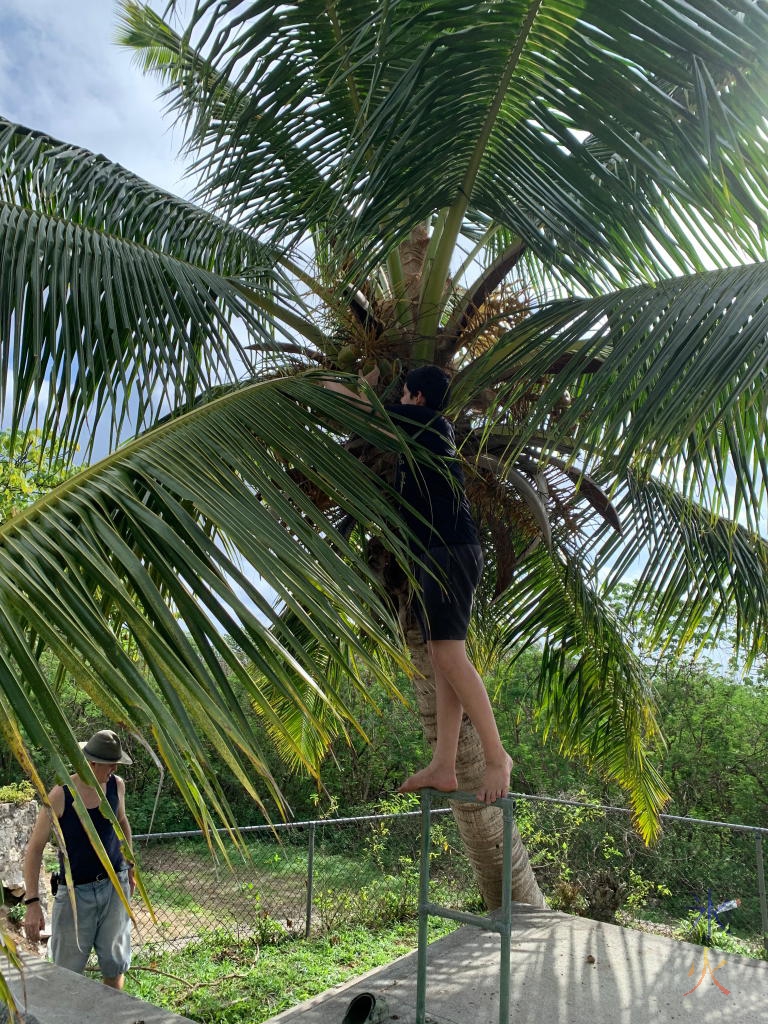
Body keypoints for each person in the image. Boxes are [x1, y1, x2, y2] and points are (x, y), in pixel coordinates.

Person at [322, 364, 513, 803]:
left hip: (450, 551)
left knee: (449, 655)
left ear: (418, 399)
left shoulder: (429, 423)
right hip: (439, 554)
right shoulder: (421, 433)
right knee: (443, 658)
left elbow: (367, 415)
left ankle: (497, 757)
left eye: (404, 394)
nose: (401, 401)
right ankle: (444, 765)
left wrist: (336, 385)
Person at [23, 729, 135, 989]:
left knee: (115, 964)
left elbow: (122, 824)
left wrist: (130, 867)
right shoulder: (60, 796)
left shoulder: (117, 785)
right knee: (66, 975)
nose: (115, 768)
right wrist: (32, 902)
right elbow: (35, 849)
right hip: (75, 895)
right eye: (110, 763)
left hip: (114, 887)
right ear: (91, 763)